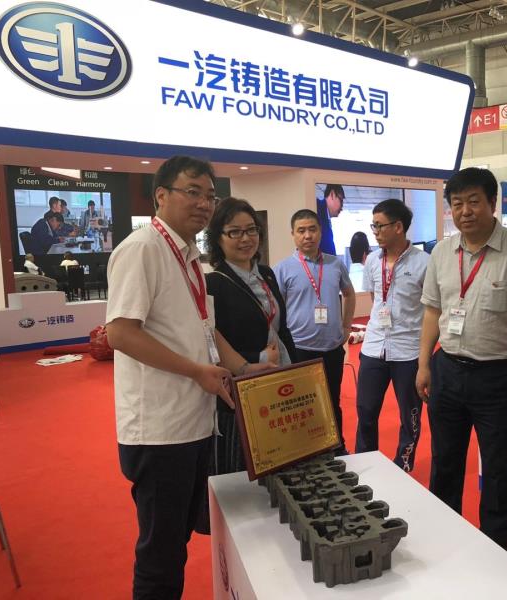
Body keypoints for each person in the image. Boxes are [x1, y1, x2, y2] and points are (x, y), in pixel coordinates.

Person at [105, 156, 265, 599]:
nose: (203, 203)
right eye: (191, 192)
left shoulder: (191, 257)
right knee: (161, 554)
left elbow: (202, 328)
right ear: (161, 195)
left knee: (175, 543)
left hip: (194, 422)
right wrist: (197, 371)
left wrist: (242, 369)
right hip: (160, 430)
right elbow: (120, 333)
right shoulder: (142, 249)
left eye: (209, 195)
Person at [416, 167, 507, 551]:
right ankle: (445, 542)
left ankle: (495, 548)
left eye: (474, 201)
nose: (465, 211)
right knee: (445, 460)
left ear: (493, 203)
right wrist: (424, 364)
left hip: (499, 376)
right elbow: (432, 310)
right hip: (448, 370)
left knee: (499, 469)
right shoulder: (442, 252)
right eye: (457, 203)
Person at [204, 197, 297, 477]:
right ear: (218, 238)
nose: (245, 239)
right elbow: (211, 342)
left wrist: (295, 369)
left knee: (281, 458)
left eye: (251, 230)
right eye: (234, 232)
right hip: (242, 388)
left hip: (278, 378)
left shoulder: (266, 274)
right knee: (244, 467)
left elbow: (281, 328)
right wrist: (255, 358)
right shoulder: (214, 283)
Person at [356, 200, 429, 472]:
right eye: (373, 225)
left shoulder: (424, 263)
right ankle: (365, 463)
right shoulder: (372, 261)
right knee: (365, 411)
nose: (375, 231)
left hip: (408, 351)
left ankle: (403, 464)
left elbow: (430, 309)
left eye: (379, 225)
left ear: (398, 227)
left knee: (410, 416)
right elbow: (376, 298)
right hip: (373, 348)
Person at [275, 209, 355, 454]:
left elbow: (349, 293)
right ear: (293, 234)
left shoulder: (335, 264)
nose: (307, 235)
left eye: (312, 229)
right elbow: (276, 309)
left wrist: (346, 326)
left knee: (332, 400)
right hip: (299, 348)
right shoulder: (283, 268)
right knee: (301, 406)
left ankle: (337, 447)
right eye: (301, 230)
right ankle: (305, 451)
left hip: (331, 347)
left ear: (320, 232)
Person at [317, 184, 344, 255]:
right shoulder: (316, 207)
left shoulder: (326, 216)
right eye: (341, 200)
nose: (342, 207)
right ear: (332, 194)